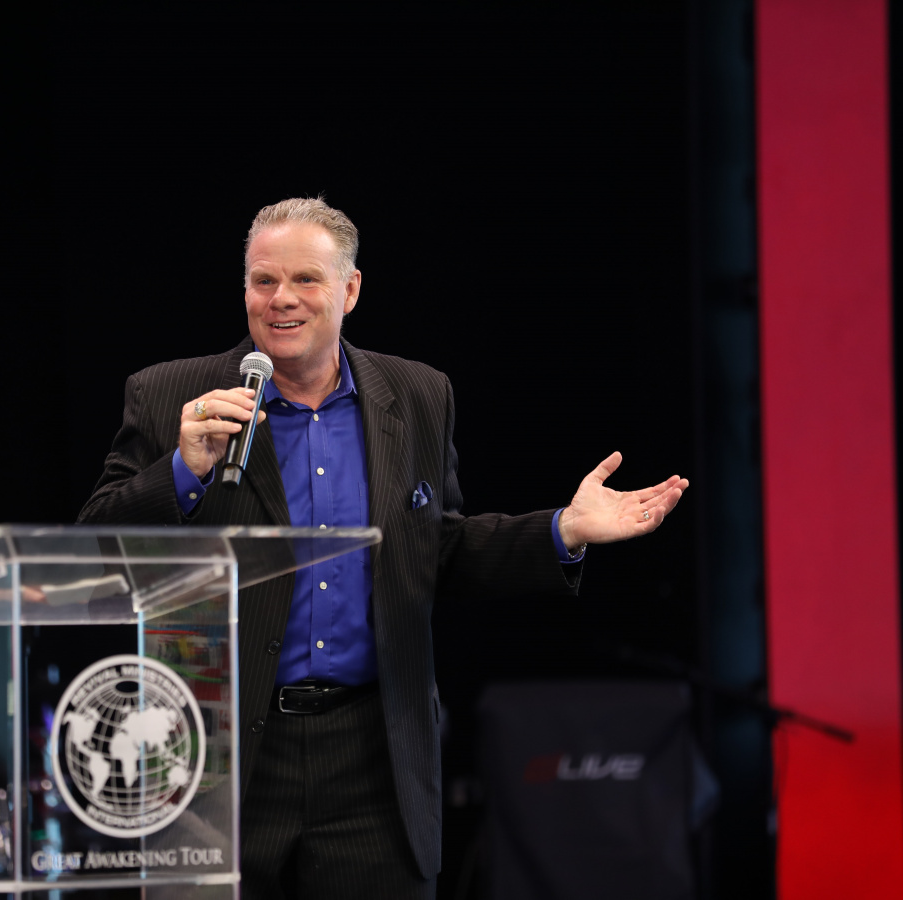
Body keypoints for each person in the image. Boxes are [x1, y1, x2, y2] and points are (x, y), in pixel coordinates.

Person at [78, 197, 689, 899]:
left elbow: (439, 550)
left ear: (350, 289)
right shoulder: (172, 395)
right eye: (263, 280)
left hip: (372, 759)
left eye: (306, 279)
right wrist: (182, 471)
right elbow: (96, 552)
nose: (281, 299)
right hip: (217, 751)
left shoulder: (418, 395)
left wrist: (565, 530)